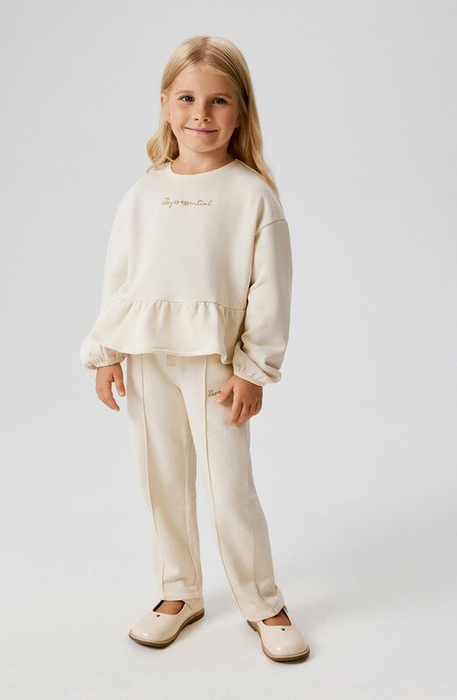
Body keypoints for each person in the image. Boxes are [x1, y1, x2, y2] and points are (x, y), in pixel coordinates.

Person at [79, 35, 309, 663]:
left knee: (230, 487)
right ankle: (178, 593)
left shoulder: (252, 195)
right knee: (161, 479)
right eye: (186, 98)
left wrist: (254, 368)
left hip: (217, 364)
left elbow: (270, 290)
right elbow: (121, 278)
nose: (200, 114)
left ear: (240, 111)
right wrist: (105, 350)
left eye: (218, 101)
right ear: (164, 104)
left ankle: (263, 603)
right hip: (147, 357)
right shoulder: (143, 193)